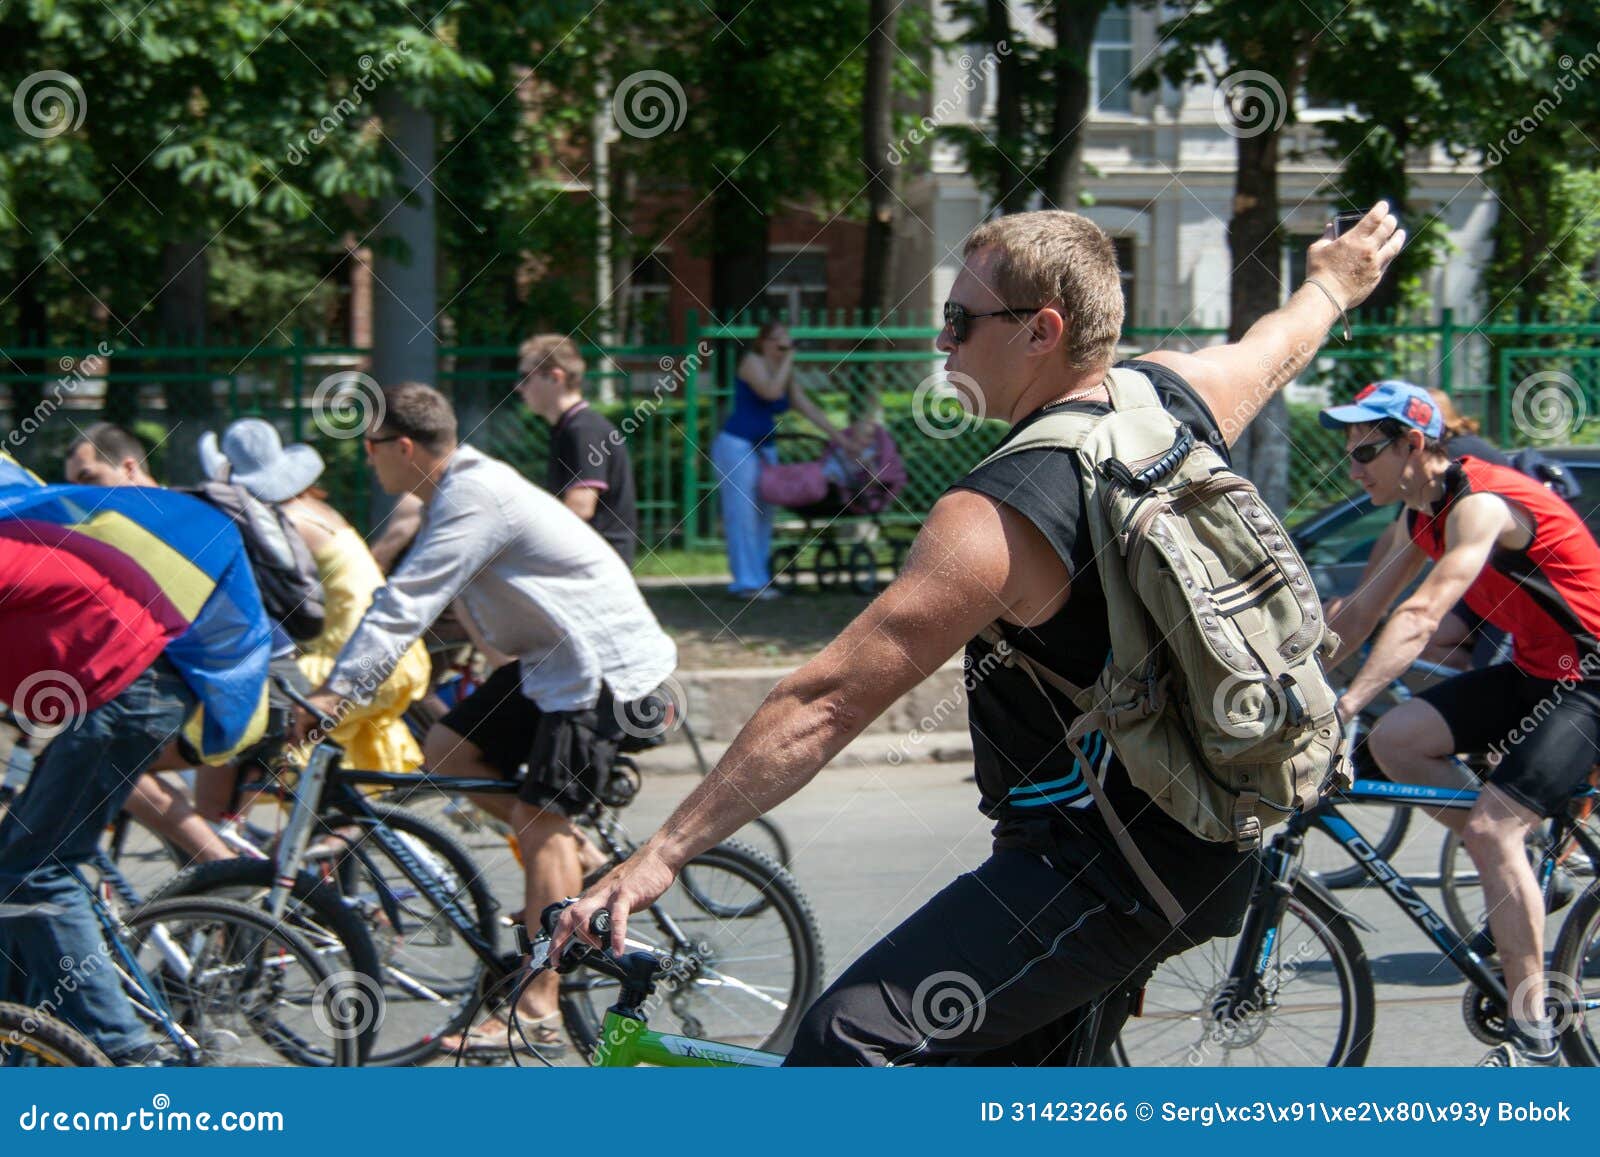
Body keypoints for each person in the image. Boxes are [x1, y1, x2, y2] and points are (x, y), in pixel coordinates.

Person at [553, 204, 1403, 1064]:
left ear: (1041, 331)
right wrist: (1334, 281)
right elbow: (1275, 346)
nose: (942, 344)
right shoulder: (1166, 396)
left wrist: (660, 854)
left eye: (959, 320)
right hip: (1204, 841)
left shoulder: (996, 514)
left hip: (1101, 873)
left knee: (847, 1041)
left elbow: (827, 700)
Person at [290, 382, 676, 1055]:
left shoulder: (472, 496)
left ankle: (539, 1005)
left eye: (370, 447)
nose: (368, 461)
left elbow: (404, 605)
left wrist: (334, 696)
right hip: (551, 663)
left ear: (402, 446)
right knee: (446, 747)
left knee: (538, 822)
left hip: (601, 672)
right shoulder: (455, 493)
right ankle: (577, 858)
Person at [1319, 379, 1600, 1066]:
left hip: (1591, 677)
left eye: (1365, 450)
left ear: (1414, 444)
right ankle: (1525, 867)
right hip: (1538, 673)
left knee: (1491, 824)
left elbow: (1419, 615)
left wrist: (1347, 705)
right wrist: (1288, 684)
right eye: (1349, 451)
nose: (1353, 467)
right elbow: (1357, 614)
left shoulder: (1480, 506)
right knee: (1398, 741)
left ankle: (1537, 1021)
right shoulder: (1419, 514)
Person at [0, 451, 270, 1063]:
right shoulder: (26, 532)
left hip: (122, 695)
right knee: (19, 869)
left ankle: (132, 1059)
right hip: (132, 687)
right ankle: (28, 1045)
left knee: (33, 872)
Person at [64, 423, 305, 864]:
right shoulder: (178, 509)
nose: (85, 494)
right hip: (267, 674)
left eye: (91, 479)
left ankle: (223, 874)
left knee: (114, 763)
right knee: (213, 815)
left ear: (130, 467)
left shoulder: (145, 521)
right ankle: (233, 906)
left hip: (251, 683)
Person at [199, 418, 431, 779]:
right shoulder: (316, 510)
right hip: (392, 657)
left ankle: (211, 827)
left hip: (350, 662)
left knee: (222, 708)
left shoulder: (278, 526)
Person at [711, 321, 868, 599]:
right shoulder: (752, 362)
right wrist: (789, 359)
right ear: (764, 343)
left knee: (764, 513)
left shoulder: (785, 374)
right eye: (779, 340)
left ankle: (759, 578)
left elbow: (808, 409)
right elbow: (770, 392)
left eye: (787, 340)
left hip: (765, 448)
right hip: (737, 446)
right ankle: (747, 583)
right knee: (743, 514)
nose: (784, 345)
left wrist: (843, 441)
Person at [516, 333, 640, 564]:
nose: (518, 387)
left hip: (598, 565)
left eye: (525, 377)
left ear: (555, 377)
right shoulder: (569, 427)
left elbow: (580, 506)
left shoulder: (583, 430)